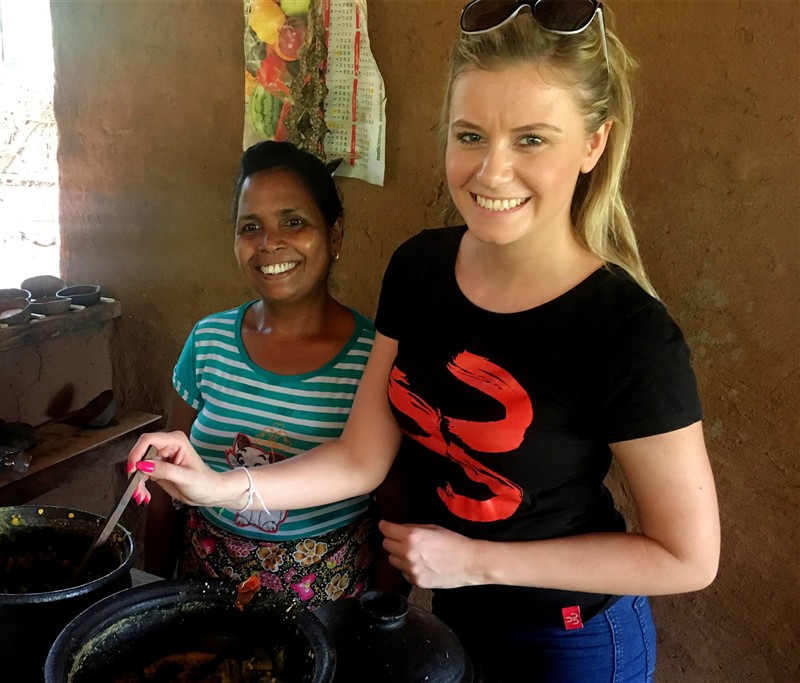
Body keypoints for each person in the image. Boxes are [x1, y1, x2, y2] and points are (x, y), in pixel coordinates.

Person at [129, 2, 720, 680]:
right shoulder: (420, 270)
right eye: (471, 136)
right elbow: (360, 458)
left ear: (593, 143)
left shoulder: (626, 331)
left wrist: (477, 561)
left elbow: (688, 557)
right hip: (458, 610)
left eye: (531, 139)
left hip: (572, 636)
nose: (491, 172)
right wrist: (218, 486)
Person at [142, 140, 379, 610]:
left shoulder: (372, 357)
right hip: (204, 586)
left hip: (325, 602)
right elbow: (168, 484)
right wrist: (152, 591)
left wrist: (378, 623)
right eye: (250, 227)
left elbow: (397, 507)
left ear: (334, 236)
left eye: (293, 222)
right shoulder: (209, 341)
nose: (269, 242)